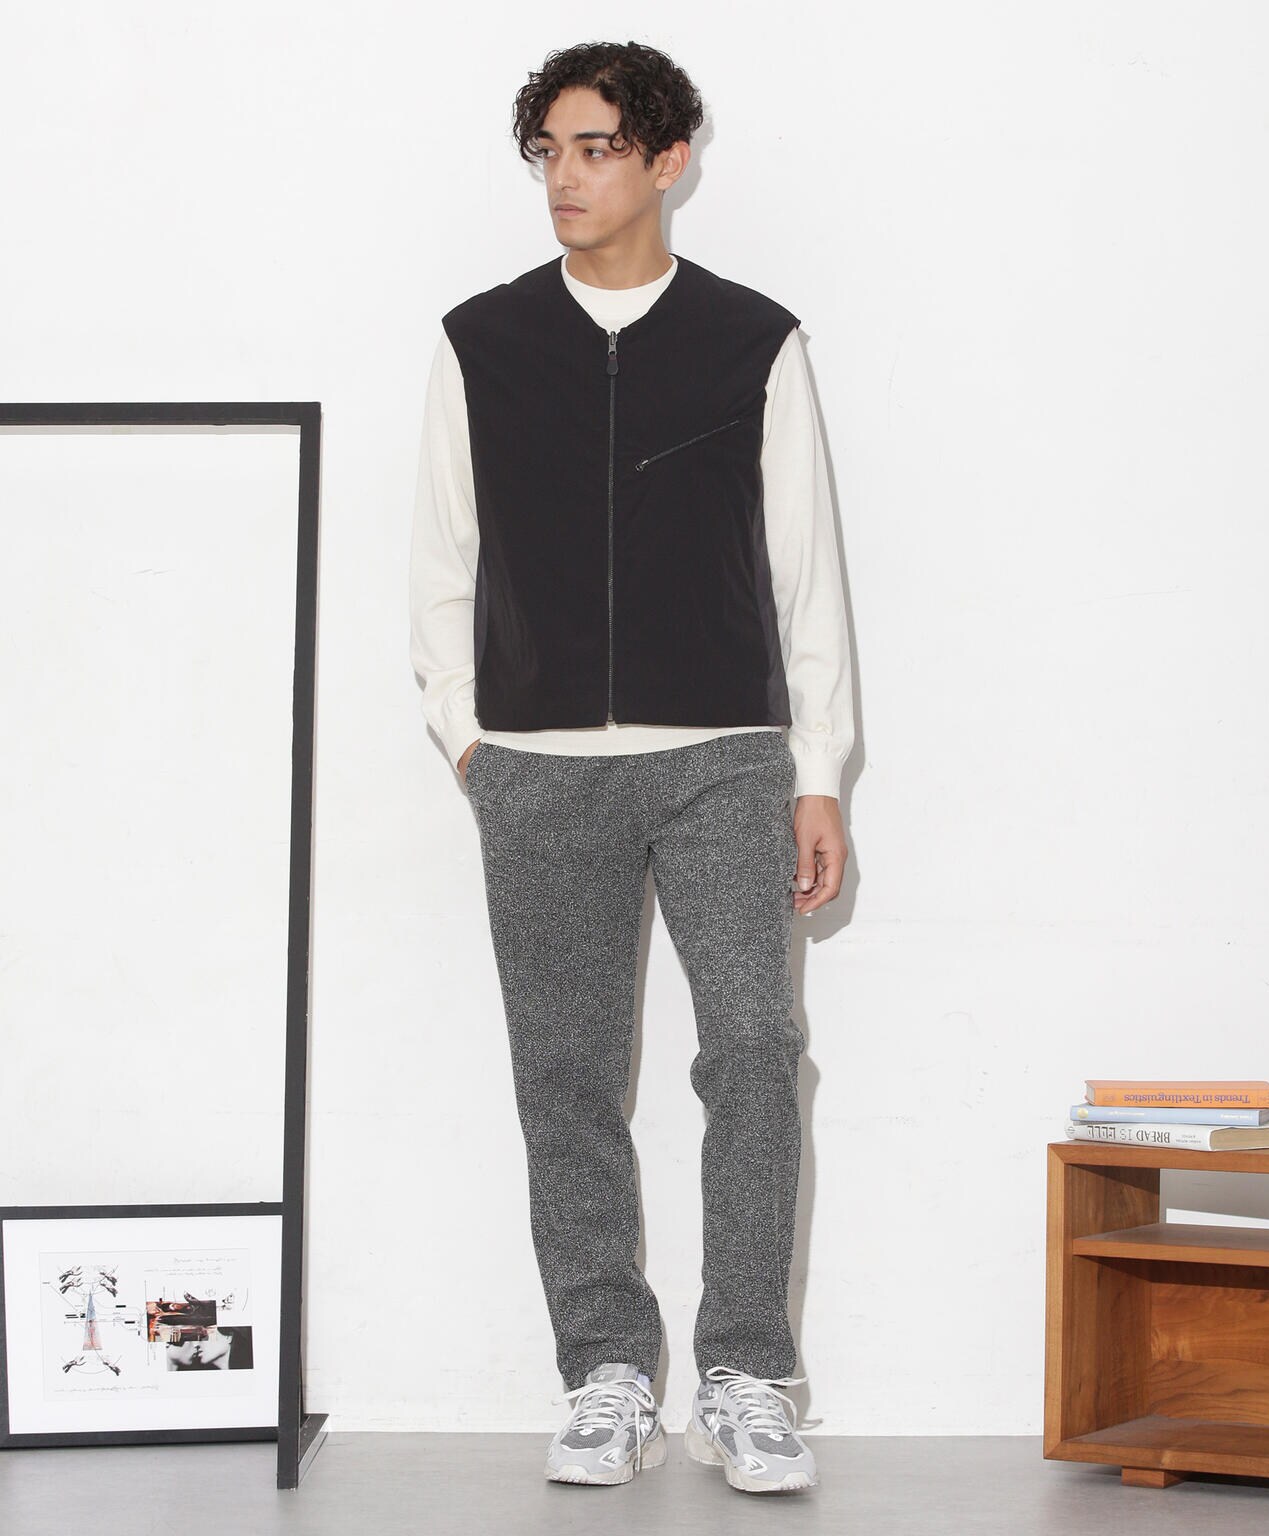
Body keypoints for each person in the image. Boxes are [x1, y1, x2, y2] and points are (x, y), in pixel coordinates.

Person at [410, 39, 854, 1496]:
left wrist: (818, 770)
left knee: (753, 1055)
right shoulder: (482, 341)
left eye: (596, 148)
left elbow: (806, 572)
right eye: (547, 150)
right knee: (566, 1078)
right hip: (537, 768)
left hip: (725, 758)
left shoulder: (753, 340)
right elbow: (441, 563)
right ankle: (605, 1370)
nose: (566, 177)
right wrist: (471, 739)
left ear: (669, 160)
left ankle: (745, 1374)